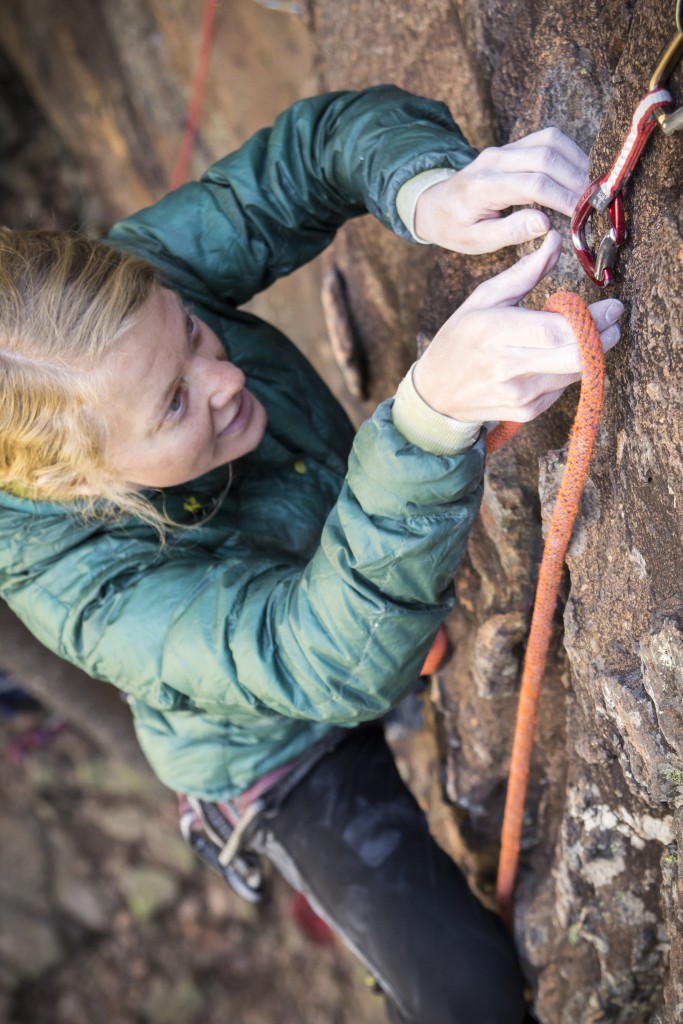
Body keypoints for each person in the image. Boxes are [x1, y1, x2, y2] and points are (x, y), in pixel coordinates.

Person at [0, 86, 623, 1023]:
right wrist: (424, 426)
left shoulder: (119, 313)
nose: (224, 376)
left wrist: (426, 187)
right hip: (273, 753)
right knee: (467, 994)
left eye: (195, 329)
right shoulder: (75, 586)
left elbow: (308, 157)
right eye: (173, 403)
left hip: (346, 580)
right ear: (85, 486)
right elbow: (314, 659)